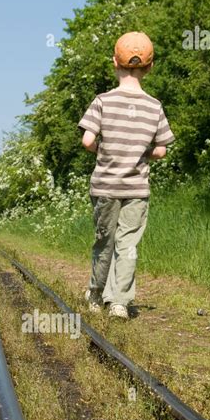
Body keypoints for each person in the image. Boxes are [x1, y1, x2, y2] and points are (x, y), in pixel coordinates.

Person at [79, 31, 175, 319]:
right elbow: (161, 150)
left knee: (103, 240)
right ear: (150, 67)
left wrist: (104, 151)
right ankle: (120, 301)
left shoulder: (103, 101)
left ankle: (96, 293)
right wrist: (139, 154)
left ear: (114, 63)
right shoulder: (154, 106)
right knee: (127, 244)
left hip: (105, 186)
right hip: (136, 189)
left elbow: (86, 141)